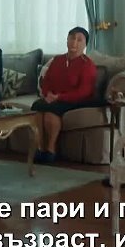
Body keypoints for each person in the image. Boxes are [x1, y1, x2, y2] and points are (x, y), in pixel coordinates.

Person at [31, 27, 97, 163]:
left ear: (85, 45)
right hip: (54, 98)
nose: (74, 42)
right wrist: (47, 94)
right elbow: (46, 81)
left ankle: (51, 150)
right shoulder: (57, 60)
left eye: (79, 40)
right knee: (38, 108)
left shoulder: (87, 65)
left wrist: (59, 97)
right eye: (72, 38)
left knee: (50, 112)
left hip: (77, 100)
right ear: (67, 40)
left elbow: (84, 92)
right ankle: (40, 148)